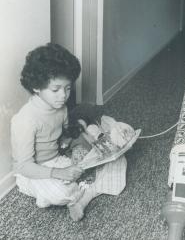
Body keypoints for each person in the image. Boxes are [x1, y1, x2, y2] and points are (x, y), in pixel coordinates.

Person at [11, 43, 127, 220]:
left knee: (117, 159)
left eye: (67, 88)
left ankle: (81, 196)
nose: (63, 95)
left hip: (59, 161)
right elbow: (23, 166)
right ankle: (84, 193)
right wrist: (58, 173)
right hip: (35, 172)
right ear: (36, 87)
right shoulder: (25, 120)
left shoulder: (62, 108)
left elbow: (65, 140)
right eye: (55, 89)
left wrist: (89, 146)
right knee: (59, 194)